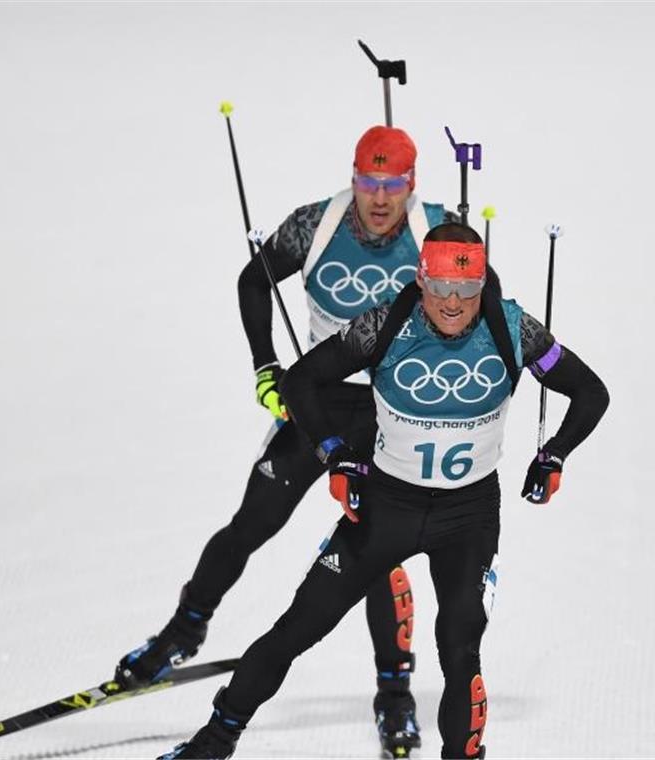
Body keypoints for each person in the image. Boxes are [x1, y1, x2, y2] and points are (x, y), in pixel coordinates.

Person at [158, 222, 610, 759]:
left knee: (461, 651)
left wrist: (554, 452)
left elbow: (590, 392)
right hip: (384, 510)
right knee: (299, 627)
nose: (451, 303)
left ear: (482, 285)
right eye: (440, 287)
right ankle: (215, 740)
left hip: (466, 520)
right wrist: (334, 453)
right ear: (421, 280)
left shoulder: (515, 330)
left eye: (466, 290)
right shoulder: (385, 325)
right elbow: (301, 381)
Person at [115, 126, 461, 756]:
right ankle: (184, 628)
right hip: (315, 400)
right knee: (252, 523)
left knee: (376, 556)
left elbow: (473, 297)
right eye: (367, 182)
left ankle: (393, 693)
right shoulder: (317, 225)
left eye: (392, 186)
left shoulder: (433, 234)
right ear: (352, 175)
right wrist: (265, 367)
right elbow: (254, 281)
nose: (379, 199)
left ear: (413, 185)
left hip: (390, 413)